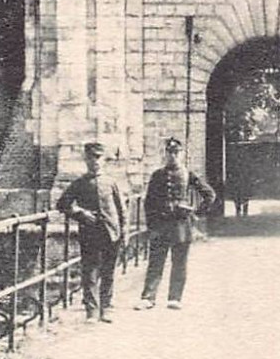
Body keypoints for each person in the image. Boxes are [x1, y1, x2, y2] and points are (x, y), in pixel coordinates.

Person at [138, 136, 216, 309]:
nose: (172, 156)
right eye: (169, 152)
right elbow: (148, 202)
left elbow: (209, 194)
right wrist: (151, 225)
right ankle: (148, 297)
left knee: (179, 263)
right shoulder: (157, 175)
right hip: (161, 225)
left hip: (181, 225)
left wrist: (195, 211)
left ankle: (175, 298)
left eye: (176, 152)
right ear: (165, 154)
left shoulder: (189, 175)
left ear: (181, 154)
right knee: (155, 262)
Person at [55, 141, 129, 324]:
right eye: (91, 158)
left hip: (111, 232)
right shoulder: (79, 184)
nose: (94, 162)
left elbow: (122, 210)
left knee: (109, 272)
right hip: (90, 233)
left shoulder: (111, 182)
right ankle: (92, 311)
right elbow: (62, 205)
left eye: (98, 158)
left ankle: (106, 308)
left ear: (103, 160)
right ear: (86, 160)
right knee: (90, 272)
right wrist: (80, 213)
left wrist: (124, 232)